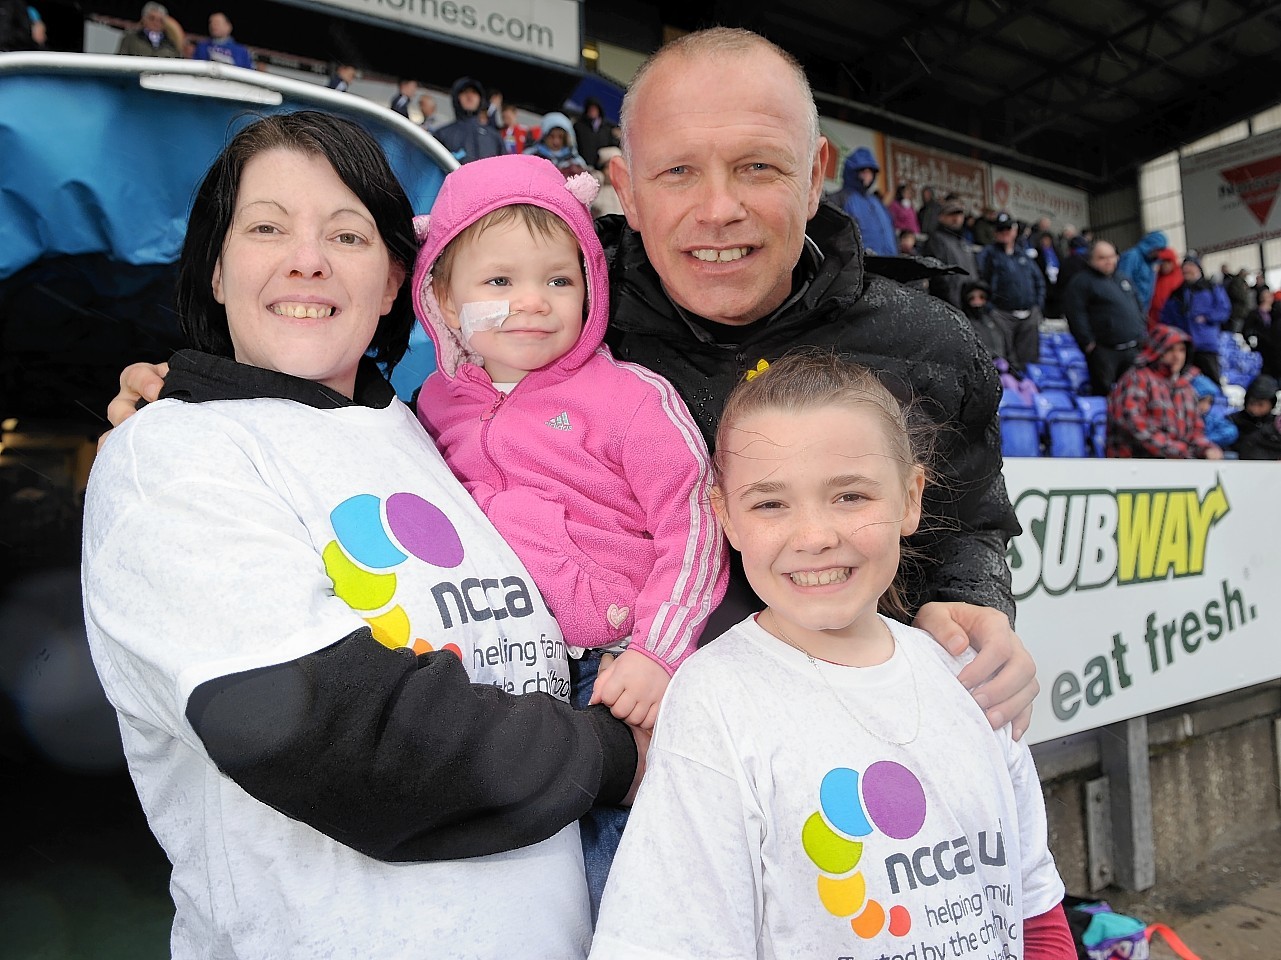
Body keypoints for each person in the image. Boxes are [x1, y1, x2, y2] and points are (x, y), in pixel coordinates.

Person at [109, 27, 1040, 736]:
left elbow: (967, 526)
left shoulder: (928, 338)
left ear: (815, 175)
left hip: (841, 755)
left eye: (757, 168)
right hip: (610, 746)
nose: (719, 209)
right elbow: (348, 366)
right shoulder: (551, 303)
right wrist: (200, 389)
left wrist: (974, 605)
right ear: (624, 187)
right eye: (678, 172)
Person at [84, 111, 643, 960]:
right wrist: (613, 752)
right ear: (217, 272)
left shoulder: (427, 437)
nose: (307, 258)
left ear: (392, 282)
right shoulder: (169, 453)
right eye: (267, 227)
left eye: (345, 234)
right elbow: (344, 741)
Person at [590, 353, 1073, 959]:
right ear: (726, 519)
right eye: (770, 504)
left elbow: (1036, 911)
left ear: (910, 499)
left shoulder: (970, 675)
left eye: (849, 496)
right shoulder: (715, 700)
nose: (815, 535)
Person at [411, 153, 727, 913]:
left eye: (559, 278)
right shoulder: (429, 406)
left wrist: (655, 651)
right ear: (444, 302)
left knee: (618, 882)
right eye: (499, 282)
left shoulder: (627, 397)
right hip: (502, 675)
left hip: (617, 673)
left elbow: (694, 526)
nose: (533, 303)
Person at [1106, 324, 1222, 460]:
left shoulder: (1186, 388)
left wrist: (1207, 448)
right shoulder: (1136, 379)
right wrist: (1174, 450)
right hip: (1136, 466)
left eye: (1182, 350)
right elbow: (1132, 424)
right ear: (1157, 350)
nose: (1177, 356)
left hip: (1177, 467)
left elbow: (1196, 432)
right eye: (1170, 350)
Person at [1062, 239, 1147, 396]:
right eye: (1102, 258)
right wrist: (1088, 343)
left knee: (1134, 393)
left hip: (1132, 348)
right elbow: (1076, 314)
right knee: (1105, 394)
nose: (1109, 261)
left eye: (1112, 256)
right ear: (1091, 259)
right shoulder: (1081, 282)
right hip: (1104, 352)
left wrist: (1141, 329)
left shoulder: (1123, 279)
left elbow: (1138, 306)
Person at [979, 212, 1044, 365]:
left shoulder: (1023, 255)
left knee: (1028, 361)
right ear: (995, 232)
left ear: (1014, 230)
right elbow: (979, 282)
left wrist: (1037, 307)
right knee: (1005, 362)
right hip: (1001, 316)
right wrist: (990, 309)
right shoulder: (987, 254)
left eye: (1008, 228)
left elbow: (1039, 281)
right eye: (1001, 229)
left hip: (1028, 316)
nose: (1005, 233)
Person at [1160, 255, 1230, 384]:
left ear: (1198, 268)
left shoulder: (1211, 287)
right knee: (1182, 380)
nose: (1187, 270)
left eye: (1190, 266)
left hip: (1206, 343)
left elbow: (1224, 310)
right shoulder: (1177, 293)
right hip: (1184, 344)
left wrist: (1207, 318)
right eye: (1184, 268)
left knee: (1212, 378)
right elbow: (1166, 317)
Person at [828, 147, 897, 256]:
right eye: (863, 172)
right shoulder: (840, 198)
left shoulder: (876, 202)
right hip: (857, 266)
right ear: (852, 172)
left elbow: (890, 231)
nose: (867, 176)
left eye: (870, 172)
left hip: (887, 264)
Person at [920, 196, 979, 308]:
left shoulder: (965, 243)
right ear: (941, 217)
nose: (956, 218)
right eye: (951, 214)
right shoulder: (936, 239)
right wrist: (949, 301)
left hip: (969, 306)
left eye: (959, 214)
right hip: (949, 306)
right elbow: (936, 276)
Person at [434, 76, 504, 164]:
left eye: (474, 92)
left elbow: (504, 171)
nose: (470, 96)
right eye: (465, 92)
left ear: (480, 99)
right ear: (457, 98)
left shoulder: (494, 137)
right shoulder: (442, 134)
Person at [1116, 230, 1168, 314]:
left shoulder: (1152, 263)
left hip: (1143, 309)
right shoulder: (1132, 256)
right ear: (1150, 246)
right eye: (1158, 249)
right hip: (1130, 308)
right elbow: (1122, 280)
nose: (1159, 253)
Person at [523, 111, 589, 175]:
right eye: (552, 136)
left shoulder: (576, 161)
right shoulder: (531, 156)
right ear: (544, 136)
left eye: (560, 137)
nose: (556, 141)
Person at [115, 1, 182, 58]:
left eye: (160, 20)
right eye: (152, 18)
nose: (156, 23)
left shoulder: (171, 44)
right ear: (144, 19)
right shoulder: (131, 39)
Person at [1191, 374, 1238, 450]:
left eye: (1210, 402)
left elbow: (1231, 432)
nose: (1205, 406)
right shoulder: (1184, 417)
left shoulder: (1210, 417)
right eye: (1202, 400)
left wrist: (1206, 440)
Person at [1243, 286, 1281, 378]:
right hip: (1262, 348)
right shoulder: (1254, 313)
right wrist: (1252, 338)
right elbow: (1247, 330)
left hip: (1275, 349)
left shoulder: (1276, 312)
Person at [573, 96, 617, 171]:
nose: (592, 111)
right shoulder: (579, 127)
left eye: (594, 109)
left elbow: (612, 145)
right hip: (581, 165)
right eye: (590, 109)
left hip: (599, 168)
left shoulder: (606, 129)